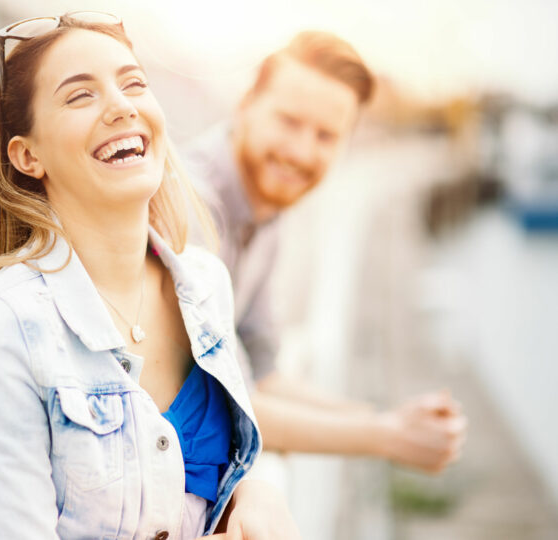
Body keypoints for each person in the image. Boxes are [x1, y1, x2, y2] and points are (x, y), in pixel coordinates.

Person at [0, 12, 300, 540]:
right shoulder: (2, 326)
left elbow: (249, 445)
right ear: (27, 155)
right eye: (80, 95)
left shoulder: (204, 284)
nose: (123, 106)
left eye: (134, 84)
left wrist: (262, 489)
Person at [185, 31, 466, 472]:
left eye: (326, 135)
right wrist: (388, 437)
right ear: (246, 103)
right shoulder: (191, 205)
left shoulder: (264, 205)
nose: (301, 151)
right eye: (289, 122)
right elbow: (227, 405)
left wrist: (385, 420)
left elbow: (264, 373)